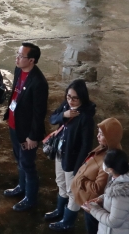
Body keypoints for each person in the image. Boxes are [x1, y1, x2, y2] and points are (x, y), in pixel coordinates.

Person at [3, 42, 49, 212]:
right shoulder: (18, 70)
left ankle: (30, 198)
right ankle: (21, 188)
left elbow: (39, 113)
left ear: (32, 60)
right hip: (14, 125)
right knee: (19, 159)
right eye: (17, 54)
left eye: (21, 56)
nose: (17, 58)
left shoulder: (39, 83)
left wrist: (33, 136)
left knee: (28, 164)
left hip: (27, 133)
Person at [46, 80, 96, 231]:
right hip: (60, 154)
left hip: (73, 160)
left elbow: (85, 146)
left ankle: (68, 221)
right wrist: (64, 115)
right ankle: (60, 211)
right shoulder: (66, 106)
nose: (70, 100)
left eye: (75, 98)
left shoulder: (86, 118)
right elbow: (52, 118)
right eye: (68, 96)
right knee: (60, 182)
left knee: (72, 191)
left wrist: (78, 169)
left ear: (82, 98)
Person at [70, 118, 124, 234]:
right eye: (98, 132)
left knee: (93, 228)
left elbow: (98, 188)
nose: (97, 136)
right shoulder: (104, 147)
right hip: (92, 203)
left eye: (101, 134)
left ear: (110, 138)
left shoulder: (108, 161)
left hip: (93, 205)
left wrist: (81, 181)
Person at [81, 149, 129, 234]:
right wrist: (102, 199)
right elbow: (112, 193)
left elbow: (113, 222)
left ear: (110, 169)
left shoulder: (123, 195)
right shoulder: (123, 176)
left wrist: (93, 209)